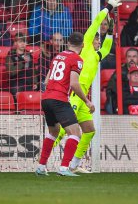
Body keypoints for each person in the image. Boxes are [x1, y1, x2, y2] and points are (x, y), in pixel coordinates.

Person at [53, 0, 122, 173]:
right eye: (97, 38)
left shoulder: (98, 55)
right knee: (64, 129)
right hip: (74, 93)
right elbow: (96, 23)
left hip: (84, 96)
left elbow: (107, 46)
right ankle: (44, 159)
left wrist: (112, 23)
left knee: (90, 130)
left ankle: (75, 164)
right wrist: (108, 7)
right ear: (90, 40)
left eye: (100, 38)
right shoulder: (84, 48)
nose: (99, 40)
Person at [35, 32, 95, 177]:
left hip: (46, 99)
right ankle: (64, 168)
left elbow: (46, 81)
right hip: (59, 99)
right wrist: (87, 101)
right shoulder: (77, 59)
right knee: (75, 133)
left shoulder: (57, 57)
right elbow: (74, 84)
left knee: (53, 132)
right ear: (82, 45)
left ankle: (41, 167)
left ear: (68, 43)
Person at [106, 47, 138, 114]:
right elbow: (112, 91)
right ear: (126, 59)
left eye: (134, 56)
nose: (131, 59)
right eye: (129, 57)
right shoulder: (119, 72)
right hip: (125, 106)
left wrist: (134, 96)